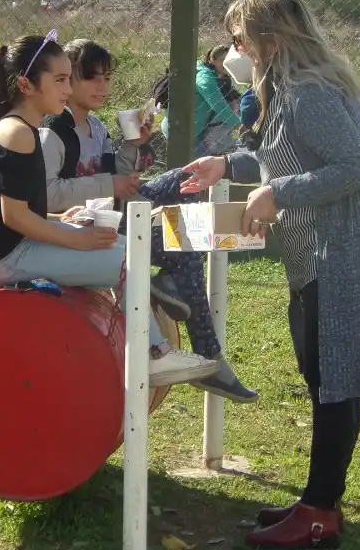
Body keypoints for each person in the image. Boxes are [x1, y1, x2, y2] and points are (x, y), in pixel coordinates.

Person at [180, 0, 360, 550]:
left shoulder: (310, 92)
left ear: (270, 40)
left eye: (240, 39)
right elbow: (285, 151)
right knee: (325, 375)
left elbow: (353, 168)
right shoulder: (287, 89)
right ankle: (321, 499)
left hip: (350, 252)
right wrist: (228, 162)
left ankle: (320, 511)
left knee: (334, 379)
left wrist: (276, 194)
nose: (234, 51)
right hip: (327, 251)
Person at [0, 31, 219, 388]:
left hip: (14, 247)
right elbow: (13, 217)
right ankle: (153, 355)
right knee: (126, 260)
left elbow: (19, 211)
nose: (67, 89)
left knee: (126, 246)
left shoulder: (27, 129)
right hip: (5, 258)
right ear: (26, 84)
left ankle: (154, 347)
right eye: (61, 80)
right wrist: (75, 239)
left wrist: (61, 221)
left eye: (69, 79)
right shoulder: (17, 133)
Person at [39, 38, 257, 401]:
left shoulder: (95, 127)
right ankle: (210, 356)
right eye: (91, 78)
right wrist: (109, 183)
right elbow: (49, 194)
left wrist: (135, 145)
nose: (102, 87)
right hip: (84, 228)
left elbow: (118, 180)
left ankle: (179, 299)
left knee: (182, 180)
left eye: (106, 78)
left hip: (113, 216)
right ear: (66, 80)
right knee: (178, 245)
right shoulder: (53, 131)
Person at [154, 45, 243, 158]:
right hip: (180, 130)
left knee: (199, 167)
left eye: (228, 60)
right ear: (212, 60)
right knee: (199, 168)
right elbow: (219, 105)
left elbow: (230, 98)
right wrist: (240, 127)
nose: (226, 64)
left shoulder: (220, 78)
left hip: (193, 130)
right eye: (222, 60)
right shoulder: (205, 78)